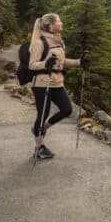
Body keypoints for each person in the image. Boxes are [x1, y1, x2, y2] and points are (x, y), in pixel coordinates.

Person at [28, 12, 89, 159]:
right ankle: (39, 147)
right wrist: (45, 64)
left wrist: (79, 62)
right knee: (43, 113)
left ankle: (41, 129)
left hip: (57, 82)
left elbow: (62, 62)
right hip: (42, 83)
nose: (61, 23)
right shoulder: (39, 42)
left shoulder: (60, 42)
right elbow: (31, 65)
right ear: (51, 25)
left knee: (67, 109)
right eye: (59, 21)